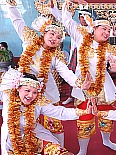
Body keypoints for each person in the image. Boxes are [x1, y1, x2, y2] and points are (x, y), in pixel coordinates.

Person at [6, 0, 89, 148]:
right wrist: (11, 6)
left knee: (55, 122)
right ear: (44, 33)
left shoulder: (56, 55)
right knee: (23, 121)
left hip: (46, 90)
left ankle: (59, 148)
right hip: (23, 87)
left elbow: (65, 71)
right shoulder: (29, 38)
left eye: (58, 38)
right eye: (52, 34)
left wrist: (79, 83)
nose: (54, 39)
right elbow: (17, 21)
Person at [62, 0, 116, 154]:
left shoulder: (108, 48)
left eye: (109, 30)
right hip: (83, 87)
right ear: (94, 28)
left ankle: (107, 140)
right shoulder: (81, 38)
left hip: (103, 87)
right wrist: (71, 3)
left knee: (106, 117)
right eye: (104, 29)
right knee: (84, 119)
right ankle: (83, 150)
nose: (107, 32)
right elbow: (66, 20)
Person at [0, 69, 92, 155]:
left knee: (57, 151)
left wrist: (83, 112)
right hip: (11, 139)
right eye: (27, 90)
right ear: (18, 88)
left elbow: (60, 112)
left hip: (34, 135)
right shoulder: (8, 96)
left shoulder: (38, 102)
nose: (30, 95)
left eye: (35, 92)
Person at [50, 0, 92, 105]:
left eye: (86, 17)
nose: (84, 20)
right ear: (79, 18)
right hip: (76, 54)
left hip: (91, 57)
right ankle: (71, 96)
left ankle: (89, 98)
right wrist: (54, 8)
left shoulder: (93, 29)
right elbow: (63, 18)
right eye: (82, 17)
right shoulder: (75, 28)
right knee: (72, 74)